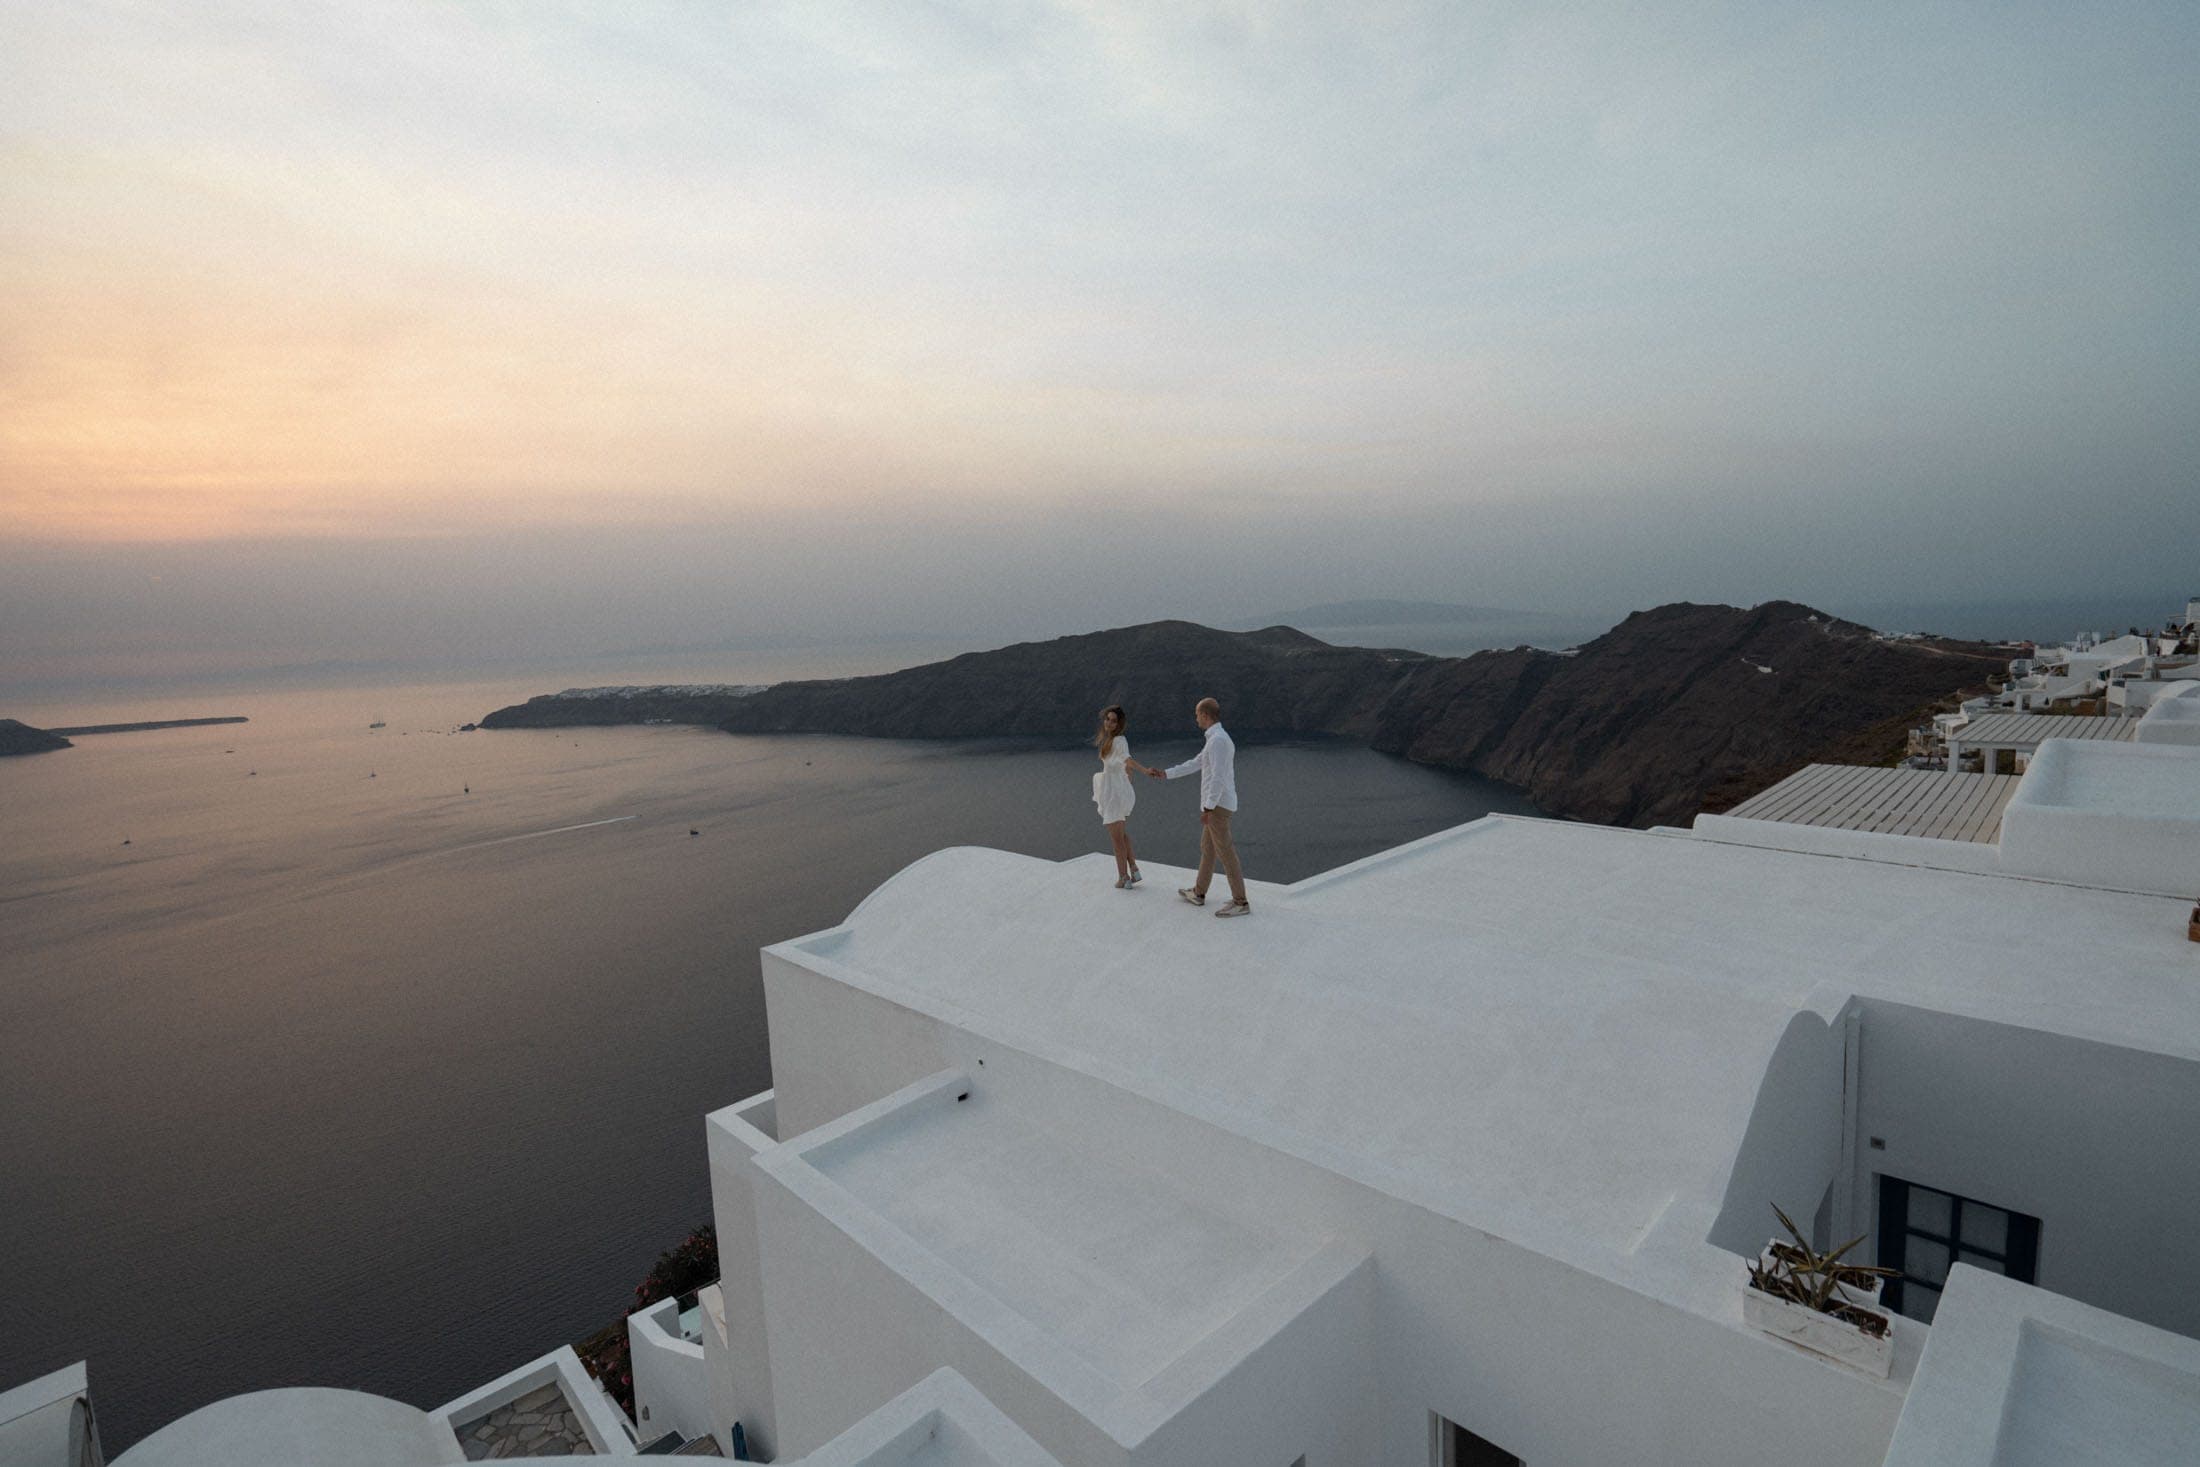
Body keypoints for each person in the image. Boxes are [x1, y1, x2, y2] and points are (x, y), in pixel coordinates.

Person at [1149, 696, 1249, 917]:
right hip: (1216, 805)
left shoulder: (1219, 741)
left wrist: (1208, 808)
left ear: (1205, 715)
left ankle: (1241, 902)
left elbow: (1218, 778)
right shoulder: (1214, 740)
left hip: (1218, 807)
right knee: (1208, 848)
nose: (1195, 719)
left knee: (1225, 853)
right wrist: (1166, 774)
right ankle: (1199, 892)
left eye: (1197, 715)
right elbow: (1196, 763)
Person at [1093, 705, 1155, 889]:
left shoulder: (1119, 740)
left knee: (1116, 838)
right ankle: (1134, 870)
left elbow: (1128, 760)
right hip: (1118, 788)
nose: (1109, 723)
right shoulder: (1112, 740)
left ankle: (1123, 877)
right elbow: (1124, 764)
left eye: (1113, 720)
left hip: (1113, 791)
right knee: (1121, 833)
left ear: (1119, 723)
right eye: (1107, 719)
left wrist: (1144, 770)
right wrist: (1127, 781)